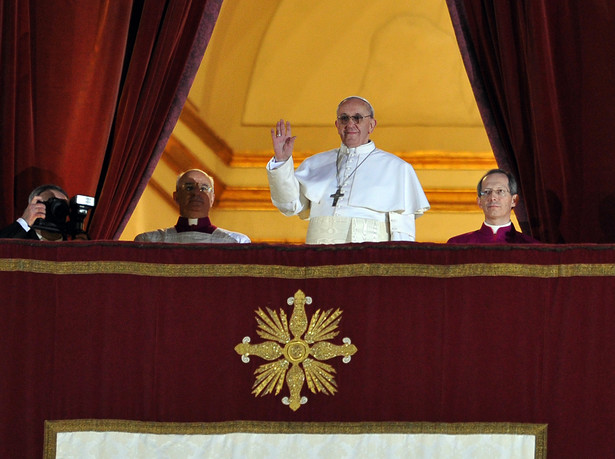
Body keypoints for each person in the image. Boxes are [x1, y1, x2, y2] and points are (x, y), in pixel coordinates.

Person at [267, 96, 430, 244]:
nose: (350, 124)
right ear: (337, 125)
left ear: (371, 125)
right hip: (319, 259)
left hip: (368, 263)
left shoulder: (398, 169)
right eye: (344, 118)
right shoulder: (314, 164)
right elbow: (288, 205)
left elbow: (403, 232)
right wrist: (282, 161)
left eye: (357, 118)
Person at [134, 169, 250, 243]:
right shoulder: (149, 242)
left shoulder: (237, 243)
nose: (196, 193)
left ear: (212, 198)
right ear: (176, 196)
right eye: (189, 187)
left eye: (204, 188)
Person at [447, 169, 539, 244]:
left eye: (500, 191)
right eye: (487, 192)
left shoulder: (531, 248)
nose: (492, 197)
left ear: (514, 200)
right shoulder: (457, 245)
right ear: (479, 202)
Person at [0, 184, 76, 241]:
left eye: (62, 206)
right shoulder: (21, 240)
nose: (57, 210)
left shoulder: (73, 245)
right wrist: (24, 222)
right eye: (50, 204)